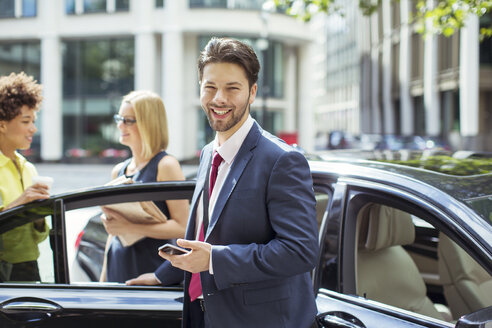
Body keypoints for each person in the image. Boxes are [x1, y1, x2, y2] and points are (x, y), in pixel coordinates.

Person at [128, 38, 319, 328]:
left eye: (232, 88)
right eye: (210, 87)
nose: (219, 99)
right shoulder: (208, 153)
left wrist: (215, 260)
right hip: (206, 315)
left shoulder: (282, 160)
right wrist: (162, 275)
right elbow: (206, 234)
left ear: (252, 92)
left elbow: (300, 251)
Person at [100, 90, 189, 284]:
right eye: (119, 118)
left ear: (149, 123)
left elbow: (183, 227)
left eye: (128, 120)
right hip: (118, 267)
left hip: (150, 270)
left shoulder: (165, 165)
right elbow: (114, 232)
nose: (120, 125)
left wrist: (131, 227)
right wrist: (103, 280)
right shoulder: (119, 171)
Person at [0, 72, 50, 282]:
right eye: (25, 121)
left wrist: (39, 216)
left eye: (33, 120)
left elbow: (39, 236)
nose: (33, 128)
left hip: (29, 269)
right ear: (2, 124)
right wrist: (21, 203)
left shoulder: (28, 168)